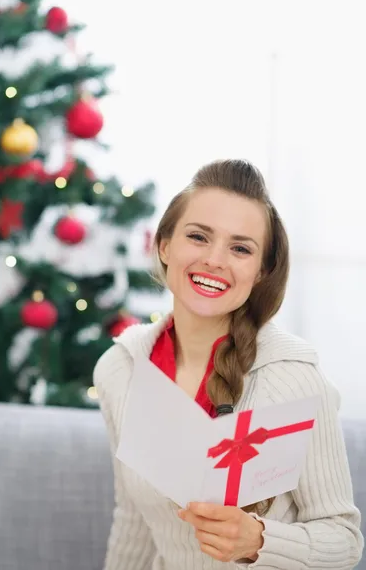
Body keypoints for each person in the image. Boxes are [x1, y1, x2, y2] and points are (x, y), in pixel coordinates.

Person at [94, 159, 363, 569]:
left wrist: (259, 540)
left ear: (261, 271)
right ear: (165, 245)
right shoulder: (119, 370)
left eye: (240, 248)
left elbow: (345, 544)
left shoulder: (293, 378)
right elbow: (133, 521)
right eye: (198, 237)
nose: (215, 260)